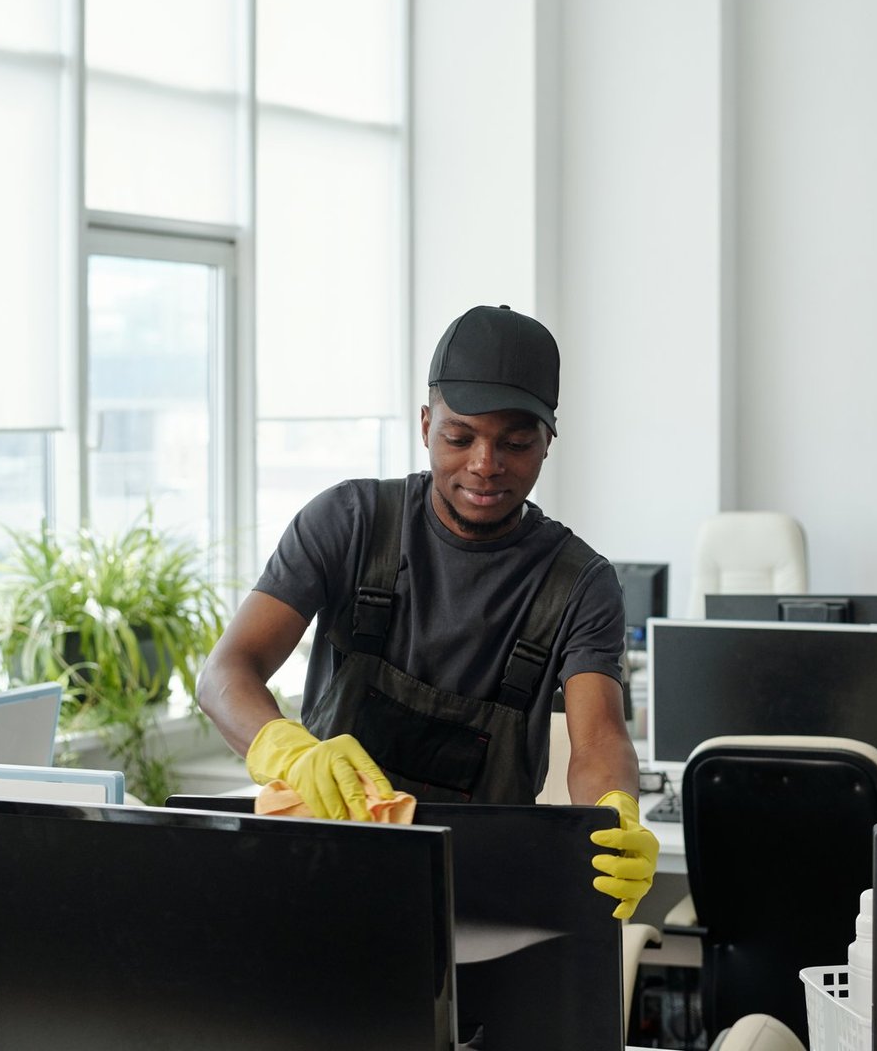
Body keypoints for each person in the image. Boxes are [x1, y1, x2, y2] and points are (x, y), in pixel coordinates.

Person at [198, 304, 656, 918]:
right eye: (459, 437)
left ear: (548, 442)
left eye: (516, 442)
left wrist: (614, 812)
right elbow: (226, 673)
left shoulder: (579, 583)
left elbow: (598, 738)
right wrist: (291, 751)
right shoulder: (350, 523)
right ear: (424, 425)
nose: (485, 465)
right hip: (320, 875)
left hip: (483, 899)